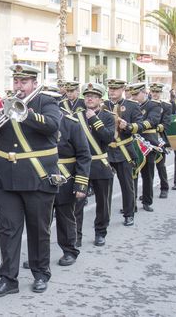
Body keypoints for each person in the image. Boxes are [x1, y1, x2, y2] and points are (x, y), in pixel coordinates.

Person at [0, 64, 61, 296]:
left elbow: (53, 126)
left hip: (37, 177)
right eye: (16, 81)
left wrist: (23, 113)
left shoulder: (46, 102)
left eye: (23, 82)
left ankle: (40, 273)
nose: (19, 86)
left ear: (34, 83)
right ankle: (8, 279)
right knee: (8, 230)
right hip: (7, 179)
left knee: (38, 229)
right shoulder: (4, 103)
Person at [48, 89, 90, 266]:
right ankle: (40, 255)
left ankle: (69, 250)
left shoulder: (71, 124)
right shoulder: (34, 123)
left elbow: (84, 155)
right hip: (42, 178)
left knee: (65, 218)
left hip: (66, 178)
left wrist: (80, 184)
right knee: (40, 221)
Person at [74, 83, 116, 247]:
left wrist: (94, 119)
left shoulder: (107, 116)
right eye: (87, 96)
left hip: (100, 163)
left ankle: (100, 232)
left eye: (94, 96)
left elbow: (108, 137)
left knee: (103, 202)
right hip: (81, 166)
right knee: (77, 203)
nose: (90, 98)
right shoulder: (77, 116)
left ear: (100, 99)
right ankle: (76, 235)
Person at [104, 79, 143, 227]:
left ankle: (129, 214)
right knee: (105, 187)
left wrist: (128, 126)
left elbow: (140, 126)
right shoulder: (103, 105)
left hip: (124, 150)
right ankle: (104, 216)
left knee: (127, 185)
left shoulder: (132, 106)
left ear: (123, 90)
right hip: (107, 150)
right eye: (110, 88)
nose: (112, 91)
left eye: (116, 89)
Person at [131, 83, 163, 212]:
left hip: (148, 142)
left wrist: (136, 126)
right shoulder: (130, 105)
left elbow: (153, 121)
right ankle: (131, 203)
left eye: (136, 94)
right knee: (132, 174)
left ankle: (147, 201)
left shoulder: (154, 105)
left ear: (144, 92)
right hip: (133, 142)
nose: (133, 97)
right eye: (132, 94)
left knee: (148, 174)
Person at [150, 83, 172, 198]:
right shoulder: (145, 104)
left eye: (157, 92)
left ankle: (164, 188)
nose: (155, 94)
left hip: (158, 138)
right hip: (146, 139)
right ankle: (147, 192)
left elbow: (166, 123)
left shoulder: (166, 106)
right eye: (153, 92)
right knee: (147, 168)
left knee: (160, 165)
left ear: (161, 93)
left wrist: (154, 128)